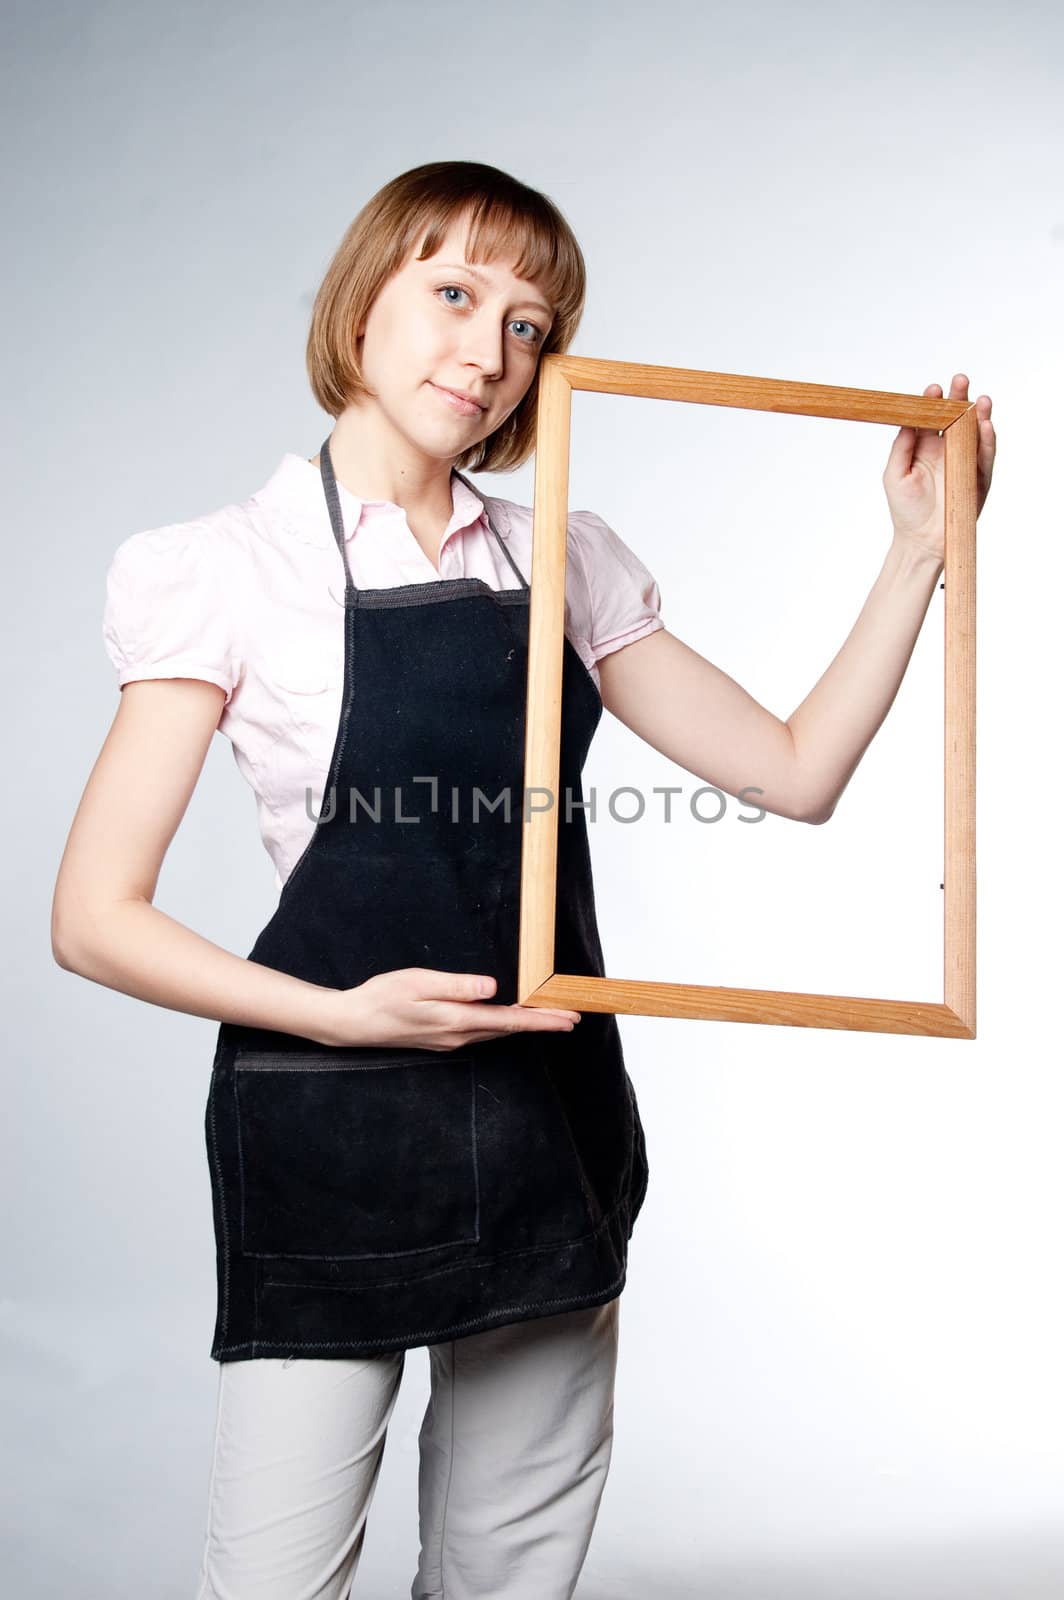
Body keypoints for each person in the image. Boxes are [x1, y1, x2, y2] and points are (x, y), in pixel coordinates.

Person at [51, 160, 996, 1600]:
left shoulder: (566, 556)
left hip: (547, 1119)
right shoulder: (227, 568)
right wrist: (341, 1014)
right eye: (454, 294)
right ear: (363, 297)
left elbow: (795, 774)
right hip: (332, 1131)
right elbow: (92, 918)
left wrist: (923, 555)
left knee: (506, 1584)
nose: (490, 352)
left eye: (532, 325)